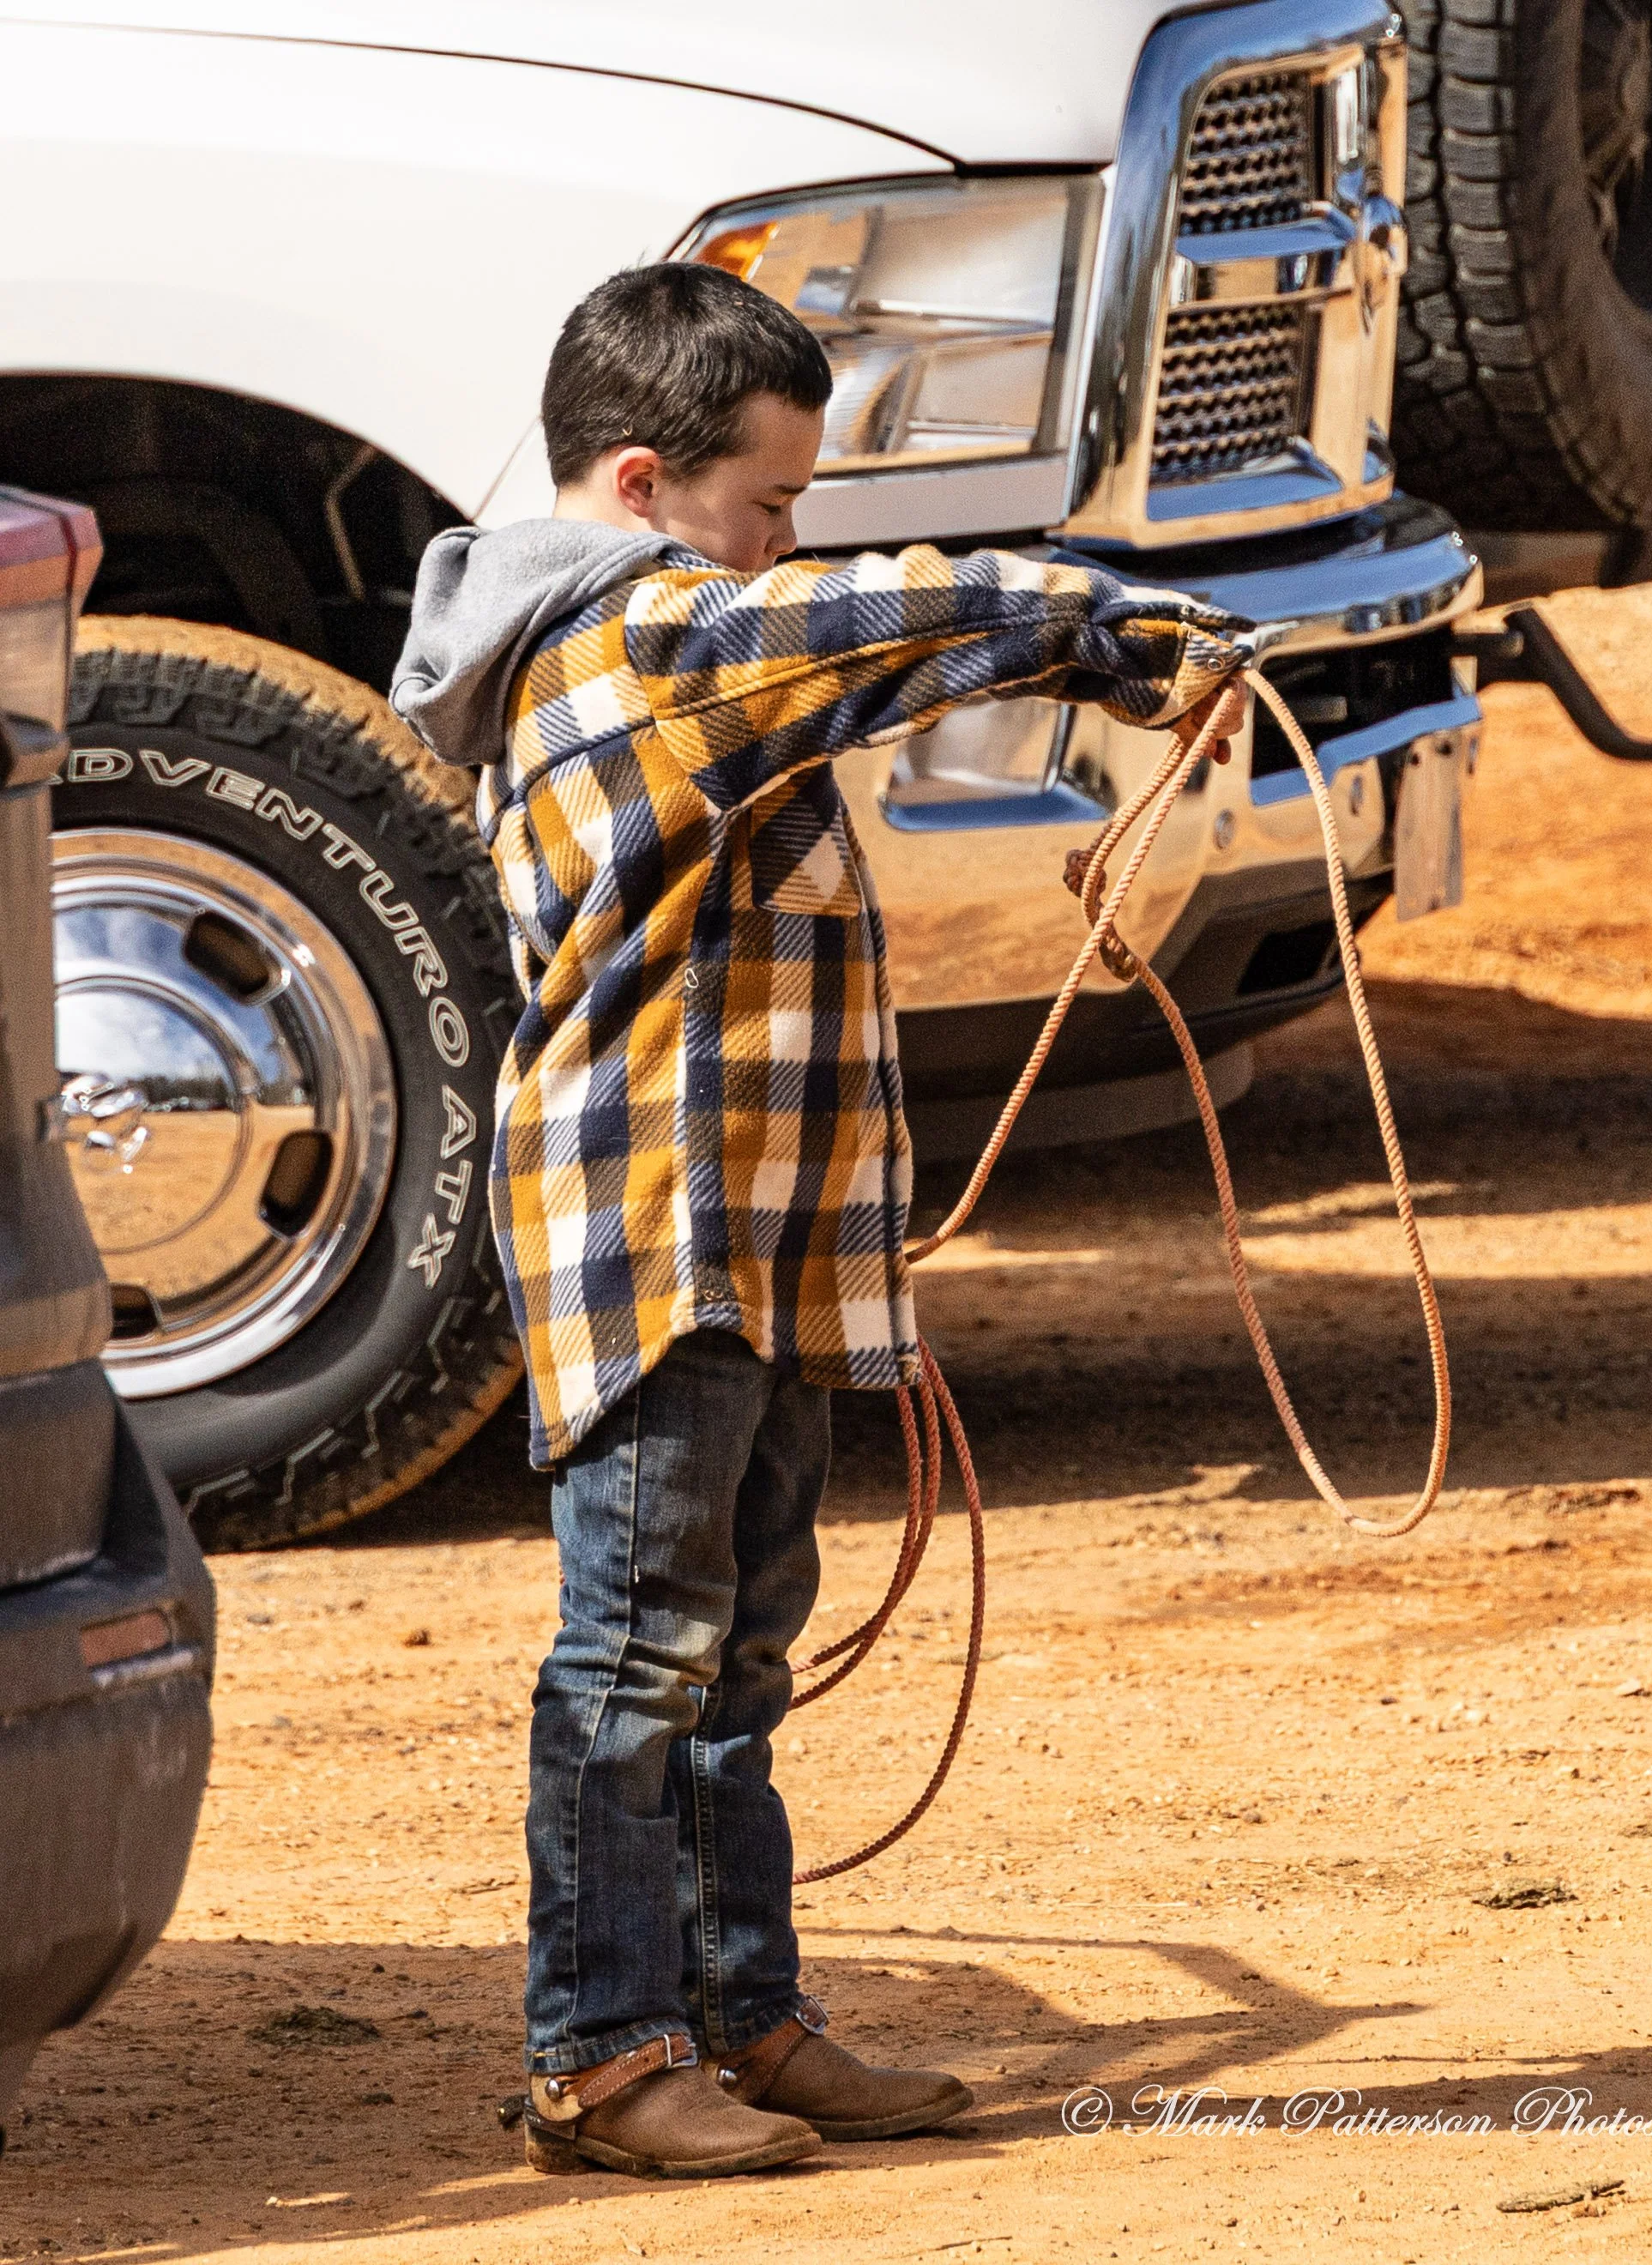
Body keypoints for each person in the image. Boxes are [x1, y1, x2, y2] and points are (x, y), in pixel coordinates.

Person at [391, 261, 1249, 2181]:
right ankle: (601, 2060)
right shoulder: (643, 644)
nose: (787, 540)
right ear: (640, 482)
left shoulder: (688, 637)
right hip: (660, 1234)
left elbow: (853, 627)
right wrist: (1119, 628)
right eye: (767, 502)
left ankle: (739, 2011)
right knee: (636, 1653)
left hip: (757, 1239)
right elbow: (895, 615)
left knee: (735, 1646)